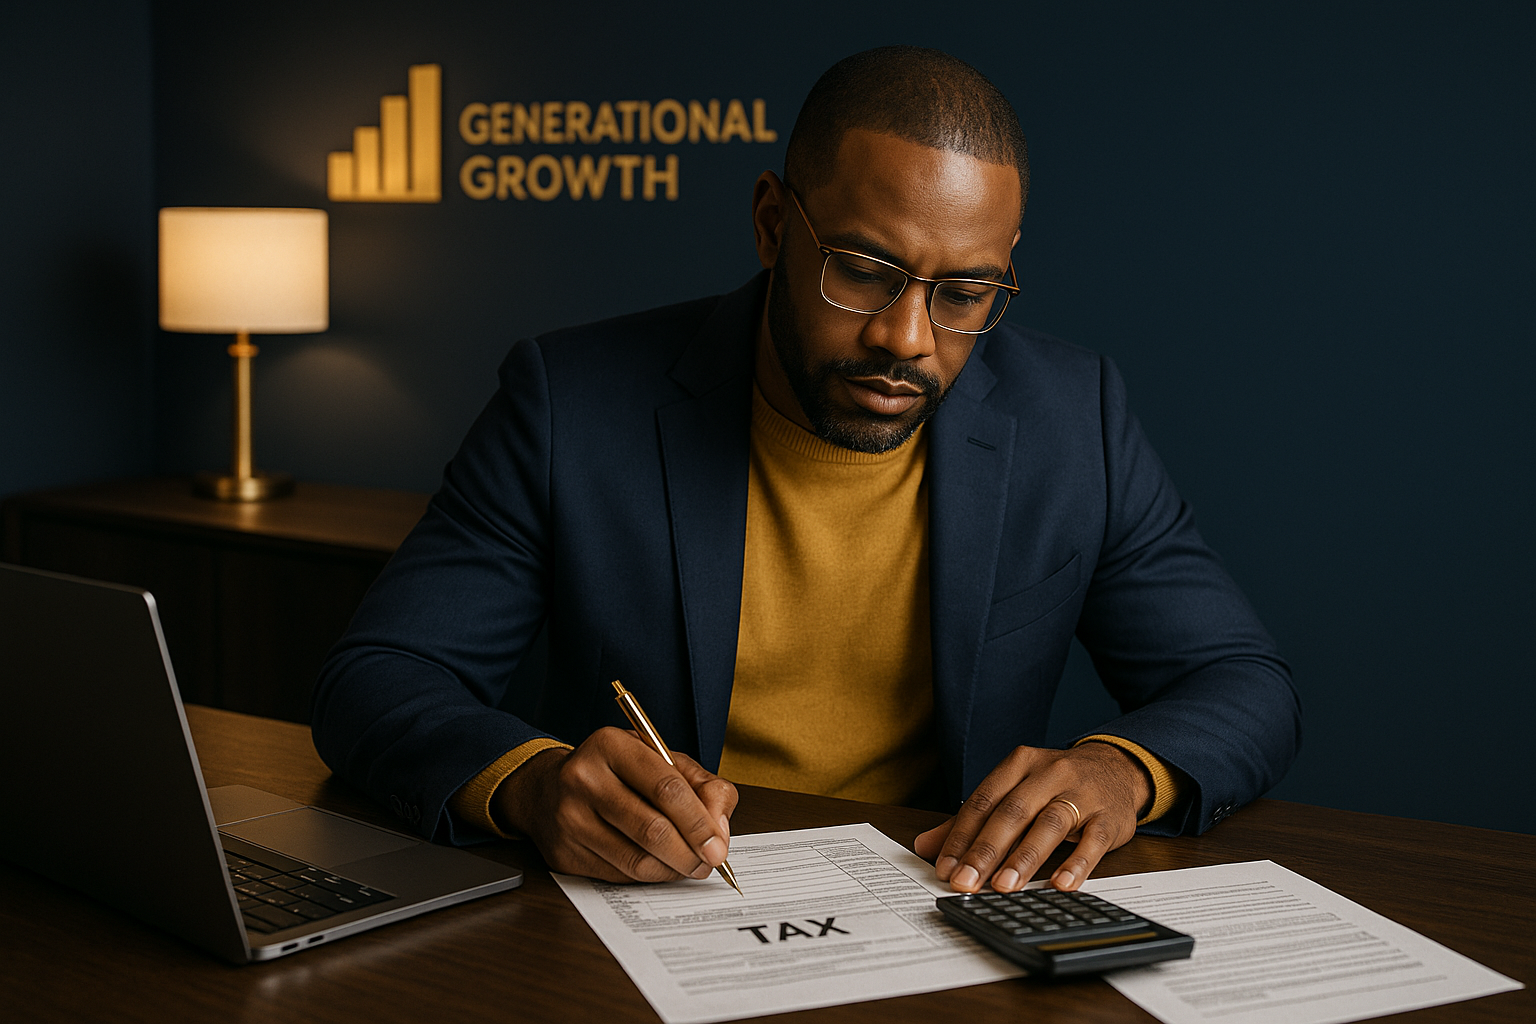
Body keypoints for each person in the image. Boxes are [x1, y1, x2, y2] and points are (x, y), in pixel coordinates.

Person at [312, 46, 1300, 897]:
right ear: (773, 224)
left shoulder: (1071, 415)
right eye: (864, 270)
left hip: (940, 908)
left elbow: (1241, 681)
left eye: (965, 291)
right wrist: (532, 782)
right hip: (653, 913)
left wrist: (1119, 770)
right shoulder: (570, 402)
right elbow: (379, 675)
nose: (906, 338)